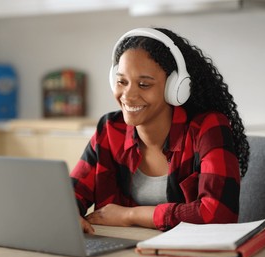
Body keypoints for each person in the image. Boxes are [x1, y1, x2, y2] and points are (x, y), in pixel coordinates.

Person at [70, 27, 250, 233]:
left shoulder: (207, 128)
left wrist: (130, 215)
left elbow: (218, 214)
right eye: (122, 82)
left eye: (144, 84)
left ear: (175, 88)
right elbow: (68, 198)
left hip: (185, 255)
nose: (128, 95)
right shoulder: (111, 129)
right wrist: (69, 214)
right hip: (125, 251)